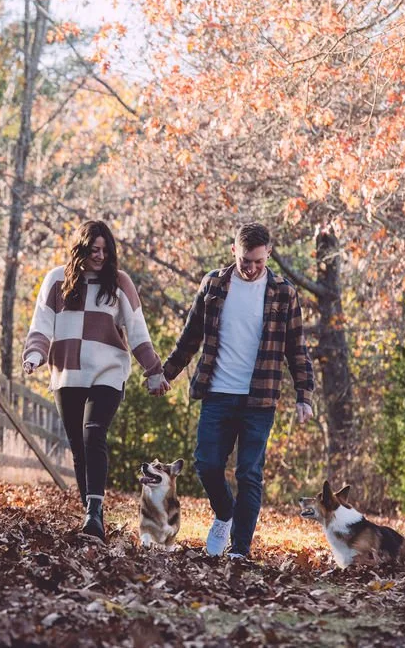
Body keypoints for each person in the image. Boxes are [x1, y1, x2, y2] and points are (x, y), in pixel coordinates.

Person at [160, 222, 315, 560]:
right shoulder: (214, 284)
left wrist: (304, 394)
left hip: (259, 398)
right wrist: (166, 373)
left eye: (258, 261)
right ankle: (224, 515)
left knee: (249, 472)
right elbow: (190, 338)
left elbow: (296, 347)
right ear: (234, 251)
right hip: (218, 392)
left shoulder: (283, 293)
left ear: (268, 255)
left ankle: (240, 549)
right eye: (246, 260)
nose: (251, 267)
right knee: (206, 464)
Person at [22, 220, 169, 543]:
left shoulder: (119, 283)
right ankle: (92, 513)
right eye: (94, 250)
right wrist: (35, 355)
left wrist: (154, 371)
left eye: (105, 250)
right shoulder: (56, 280)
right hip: (67, 374)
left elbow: (137, 330)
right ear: (81, 250)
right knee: (78, 448)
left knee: (94, 432)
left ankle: (94, 512)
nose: (100, 256)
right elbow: (42, 325)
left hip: (108, 372)